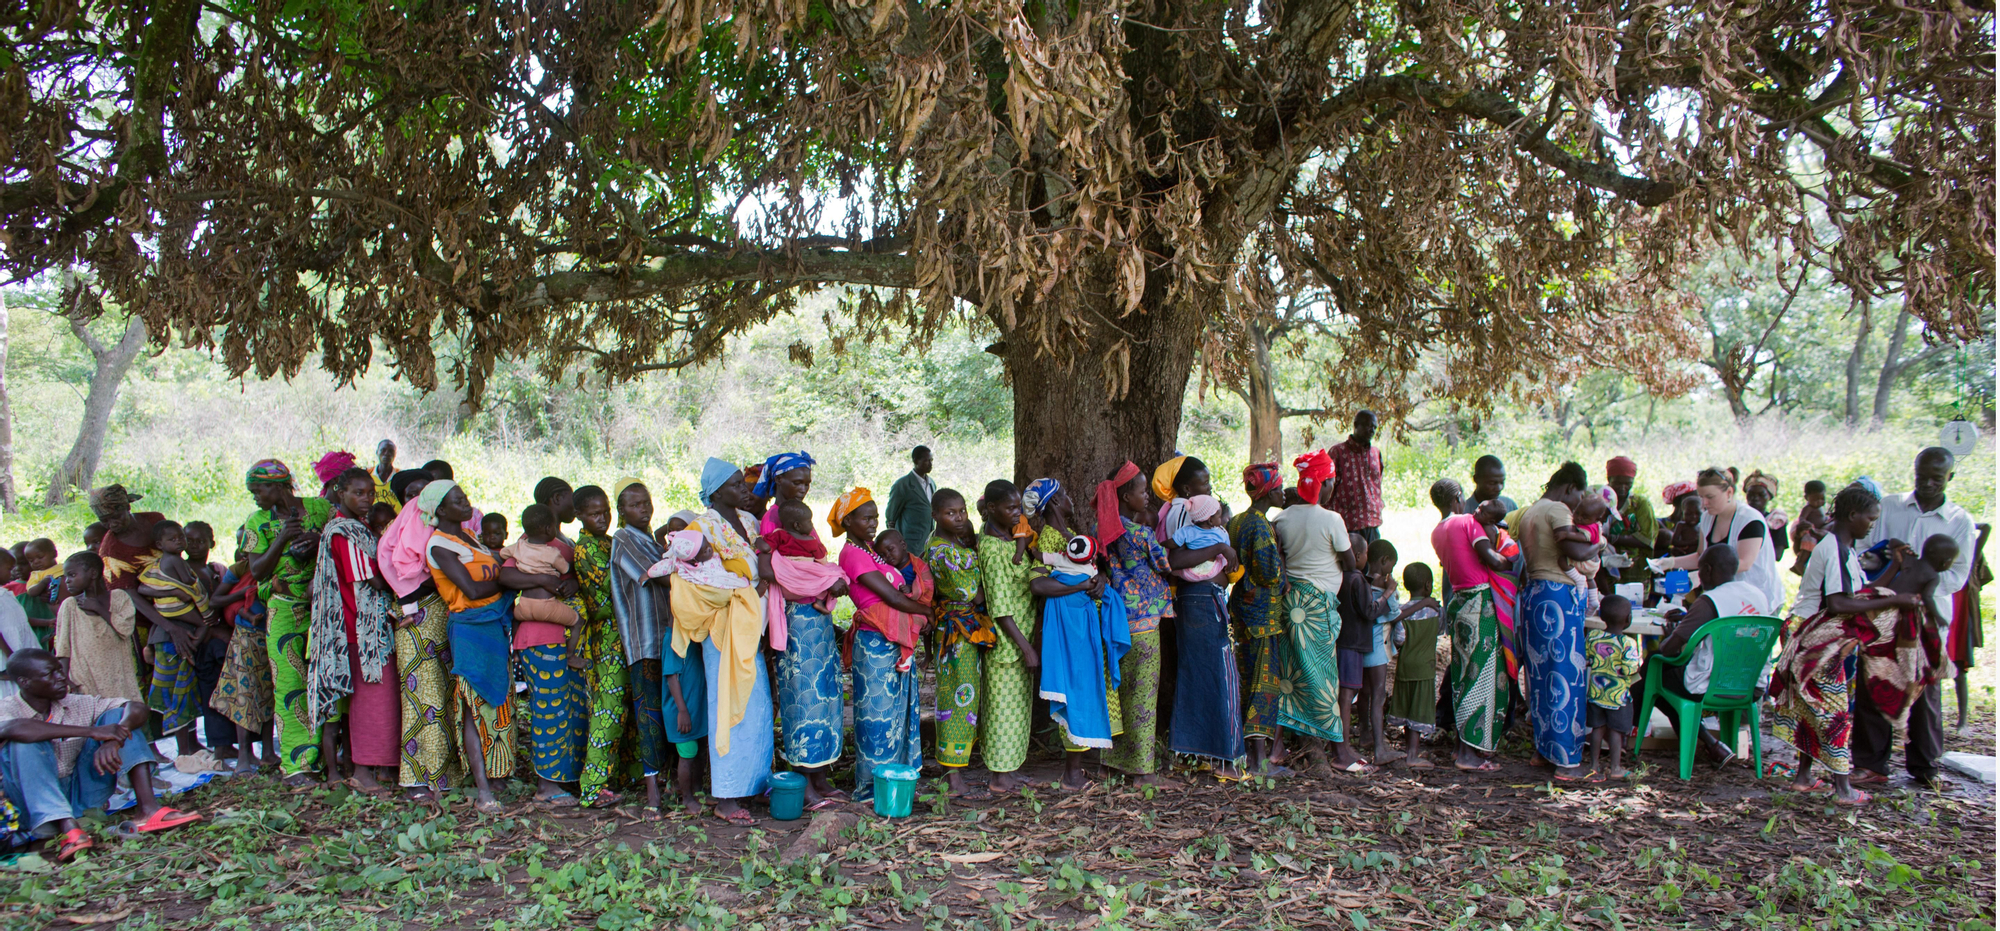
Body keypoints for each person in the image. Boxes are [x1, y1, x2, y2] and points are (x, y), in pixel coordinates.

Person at [1770, 483, 1914, 805]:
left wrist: (1895, 568)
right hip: (1814, 637)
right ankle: (1843, 788)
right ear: (1853, 515)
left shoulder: (1844, 548)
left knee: (1812, 707)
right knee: (1834, 711)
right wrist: (1897, 600)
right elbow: (1837, 604)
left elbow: (1860, 593)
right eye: (1870, 518)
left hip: (1820, 635)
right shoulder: (1833, 547)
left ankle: (1804, 777)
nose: (1873, 525)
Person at [0, 650, 201, 861]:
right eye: (50, 674)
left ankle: (148, 809)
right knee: (23, 741)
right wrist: (90, 732)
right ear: (25, 682)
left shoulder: (75, 702)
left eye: (60, 670)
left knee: (118, 717)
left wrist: (115, 738)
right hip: (31, 806)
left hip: (81, 795)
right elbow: (16, 728)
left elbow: (137, 708)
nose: (61, 677)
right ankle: (65, 827)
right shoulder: (8, 708)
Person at [1852, 447, 1974, 789]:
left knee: (1924, 690)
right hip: (1884, 613)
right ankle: (1871, 763)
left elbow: (1958, 575)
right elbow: (1862, 554)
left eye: (1937, 477)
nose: (1929, 483)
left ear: (1951, 477)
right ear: (1914, 471)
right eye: (1922, 476)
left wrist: (1919, 581)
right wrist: (1887, 562)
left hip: (1924, 620)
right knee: (1873, 683)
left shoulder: (1959, 521)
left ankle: (1925, 765)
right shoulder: (1889, 506)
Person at [423, 479, 548, 812]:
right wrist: (521, 580)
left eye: (465, 497)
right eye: (458, 500)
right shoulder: (439, 545)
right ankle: (483, 792)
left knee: (497, 702)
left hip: (492, 627)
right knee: (473, 707)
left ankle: (496, 775)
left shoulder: (468, 537)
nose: (466, 503)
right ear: (440, 509)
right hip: (470, 630)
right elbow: (472, 590)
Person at [752, 451, 846, 808]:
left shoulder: (799, 517)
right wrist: (818, 585)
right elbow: (774, 572)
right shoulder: (774, 518)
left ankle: (820, 777)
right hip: (794, 620)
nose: (803, 488)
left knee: (823, 696)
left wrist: (828, 581)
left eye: (807, 482)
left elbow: (816, 558)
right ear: (777, 482)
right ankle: (802, 781)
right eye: (796, 481)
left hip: (816, 622)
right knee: (802, 698)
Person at [684, 459, 776, 825]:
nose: (744, 489)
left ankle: (751, 784)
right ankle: (725, 796)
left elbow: (763, 557)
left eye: (743, 483)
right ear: (717, 491)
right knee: (728, 707)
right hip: (724, 630)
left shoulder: (749, 522)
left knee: (756, 708)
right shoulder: (701, 527)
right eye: (736, 484)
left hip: (752, 627)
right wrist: (753, 589)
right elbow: (701, 582)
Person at [304, 468, 402, 795]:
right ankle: (362, 771)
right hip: (360, 631)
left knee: (381, 699)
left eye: (370, 493)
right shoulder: (343, 532)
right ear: (339, 492)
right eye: (358, 493)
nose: (366, 500)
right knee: (373, 700)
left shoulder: (359, 528)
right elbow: (371, 579)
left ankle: (380, 768)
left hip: (369, 628)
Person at [833, 495, 933, 802]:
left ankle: (898, 781)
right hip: (875, 642)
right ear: (848, 521)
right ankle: (871, 787)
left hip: (893, 640)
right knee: (876, 716)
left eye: (875, 517)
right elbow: (890, 597)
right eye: (866, 518)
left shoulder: (871, 551)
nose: (873, 523)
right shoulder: (852, 554)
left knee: (898, 713)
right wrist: (926, 612)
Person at [1273, 449, 1366, 772]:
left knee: (1288, 672)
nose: (1333, 487)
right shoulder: (1331, 519)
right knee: (1323, 675)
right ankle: (1338, 751)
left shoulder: (1281, 518)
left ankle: (1277, 745)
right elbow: (1350, 561)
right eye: (1332, 481)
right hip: (1316, 610)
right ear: (1324, 483)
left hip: (1289, 604)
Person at [500, 503, 587, 806]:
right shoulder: (538, 549)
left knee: (563, 709)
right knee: (549, 711)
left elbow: (572, 579)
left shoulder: (537, 547)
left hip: (549, 638)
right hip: (539, 640)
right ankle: (546, 786)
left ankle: (563, 778)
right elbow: (504, 577)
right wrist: (546, 581)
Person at [1518, 461, 1600, 781]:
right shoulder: (1557, 510)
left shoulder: (1530, 511)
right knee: (1566, 673)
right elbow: (1571, 548)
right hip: (1557, 596)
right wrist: (1599, 545)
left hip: (1534, 593)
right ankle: (1566, 760)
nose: (1579, 502)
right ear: (1570, 488)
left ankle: (1543, 750)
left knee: (1541, 678)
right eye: (1579, 494)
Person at [1034, 534, 1127, 788]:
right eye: (1063, 496)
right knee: (1076, 698)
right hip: (1075, 640)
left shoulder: (1073, 538)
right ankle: (1072, 774)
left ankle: (1090, 767)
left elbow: (1097, 570)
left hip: (1090, 640)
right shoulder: (1046, 543)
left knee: (1091, 698)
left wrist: (1100, 579)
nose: (1070, 501)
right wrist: (1083, 586)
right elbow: (1038, 585)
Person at [608, 478, 676, 815]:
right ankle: (653, 796)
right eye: (635, 504)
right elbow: (656, 575)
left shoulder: (649, 540)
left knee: (672, 710)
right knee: (649, 713)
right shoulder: (623, 540)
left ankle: (673, 782)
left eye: (646, 501)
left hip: (668, 637)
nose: (644, 508)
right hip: (645, 641)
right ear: (621, 511)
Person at [977, 479, 1040, 792]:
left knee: (1016, 709)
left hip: (1020, 638)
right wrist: (1026, 647)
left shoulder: (1008, 537)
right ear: (991, 509)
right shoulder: (993, 550)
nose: (1017, 513)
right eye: (1010, 507)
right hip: (1008, 645)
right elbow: (1000, 607)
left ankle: (1010, 769)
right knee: (1003, 710)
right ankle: (1000, 777)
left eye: (1019, 506)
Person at [1229, 462, 1291, 776]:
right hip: (1262, 617)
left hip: (1240, 610)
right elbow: (1268, 573)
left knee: (1245, 680)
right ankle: (1258, 761)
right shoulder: (1260, 526)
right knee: (1262, 685)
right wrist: (1282, 572)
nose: (1284, 493)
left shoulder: (1238, 521)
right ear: (1269, 492)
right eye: (1279, 488)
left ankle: (1248, 756)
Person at [570, 485, 629, 808]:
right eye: (594, 514)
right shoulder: (585, 550)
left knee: (621, 709)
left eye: (605, 511)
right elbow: (611, 592)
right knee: (607, 708)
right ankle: (592, 786)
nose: (602, 518)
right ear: (579, 515)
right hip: (606, 636)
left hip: (623, 635)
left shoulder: (609, 541)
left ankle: (614, 776)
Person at [1658, 467, 1785, 611]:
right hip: (1728, 596)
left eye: (1710, 497)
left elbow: (1744, 564)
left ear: (1729, 492)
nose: (1704, 503)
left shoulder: (1750, 520)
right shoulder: (1707, 517)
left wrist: (1701, 575)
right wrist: (1670, 562)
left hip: (1757, 596)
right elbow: (1701, 555)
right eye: (1701, 496)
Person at [134, 521, 209, 757]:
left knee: (185, 686)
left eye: (180, 538)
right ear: (160, 544)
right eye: (173, 539)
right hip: (173, 632)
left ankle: (191, 743)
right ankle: (185, 749)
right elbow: (188, 585)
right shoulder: (176, 562)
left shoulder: (161, 565)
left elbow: (146, 589)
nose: (179, 542)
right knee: (179, 689)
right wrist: (184, 589)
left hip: (170, 630)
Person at [208, 530, 272, 774]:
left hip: (270, 636)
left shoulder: (275, 567)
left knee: (270, 693)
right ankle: (244, 756)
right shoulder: (238, 571)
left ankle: (268, 752)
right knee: (244, 694)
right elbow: (216, 600)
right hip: (246, 638)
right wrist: (244, 593)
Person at [51, 552, 141, 704]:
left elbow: (125, 629)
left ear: (93, 573)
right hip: (84, 678)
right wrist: (66, 680)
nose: (67, 581)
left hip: (118, 677)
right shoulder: (70, 605)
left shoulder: (119, 597)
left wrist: (98, 608)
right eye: (66, 576)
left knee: (122, 716)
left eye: (72, 575)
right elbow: (63, 648)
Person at [1386, 562, 1441, 769]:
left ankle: (1407, 750)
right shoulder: (1436, 611)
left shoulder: (1402, 612)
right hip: (1425, 668)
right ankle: (1412, 755)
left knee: (1407, 706)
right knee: (1419, 709)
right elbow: (1441, 630)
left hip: (1405, 666)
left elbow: (1399, 639)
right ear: (1428, 585)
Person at [1584, 595, 1641, 780]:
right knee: (1615, 731)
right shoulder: (1627, 644)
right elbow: (1629, 669)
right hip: (1618, 697)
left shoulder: (1593, 636)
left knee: (1597, 729)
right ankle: (1615, 768)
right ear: (1629, 619)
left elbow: (1586, 659)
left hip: (1596, 693)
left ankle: (1593, 765)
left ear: (1601, 616)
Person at [1357, 539, 1399, 764]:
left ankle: (1364, 733)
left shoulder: (1362, 581)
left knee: (1363, 693)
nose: (1391, 570)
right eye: (1391, 565)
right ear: (1384, 561)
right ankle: (1380, 748)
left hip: (1361, 646)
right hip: (1378, 648)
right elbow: (1393, 613)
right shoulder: (1385, 586)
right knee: (1378, 695)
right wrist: (1392, 591)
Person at [1953, 523, 1992, 734]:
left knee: (1960, 671)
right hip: (1942, 621)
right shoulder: (1941, 555)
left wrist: (1968, 524)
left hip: (1961, 622)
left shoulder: (1970, 557)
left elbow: (1986, 527)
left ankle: (1962, 722)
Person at [1328, 411, 1385, 543]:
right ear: (1355, 425)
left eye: (1374, 427)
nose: (1371, 430)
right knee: (1349, 563)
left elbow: (1378, 483)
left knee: (1373, 562)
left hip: (1372, 522)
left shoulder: (1376, 453)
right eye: (1367, 425)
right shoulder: (1338, 452)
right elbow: (1327, 487)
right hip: (1347, 523)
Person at [1603, 457, 1658, 592]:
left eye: (1628, 483)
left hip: (1635, 572)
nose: (1622, 488)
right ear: (1609, 480)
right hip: (1604, 572)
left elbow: (1647, 538)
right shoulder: (1600, 500)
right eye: (1617, 483)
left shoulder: (1640, 504)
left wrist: (1611, 538)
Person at [884, 446, 937, 552]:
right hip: (911, 544)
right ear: (916, 460)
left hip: (928, 542)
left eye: (931, 460)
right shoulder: (903, 485)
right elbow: (891, 516)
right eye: (926, 460)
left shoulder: (932, 484)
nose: (930, 464)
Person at [1169, 495, 1233, 582]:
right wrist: (1222, 548)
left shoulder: (1187, 530)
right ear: (1210, 520)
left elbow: (1173, 542)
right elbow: (1174, 562)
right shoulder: (1221, 533)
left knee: (1174, 573)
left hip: (1190, 574)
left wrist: (1160, 543)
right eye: (1219, 517)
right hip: (1209, 575)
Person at [1743, 471, 1788, 564]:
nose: (1755, 498)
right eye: (1751, 494)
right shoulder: (1739, 518)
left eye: (1761, 495)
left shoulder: (1776, 521)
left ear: (1769, 497)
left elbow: (1777, 555)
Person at [1790, 480, 1832, 574]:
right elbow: (1802, 518)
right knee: (1808, 545)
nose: (1819, 501)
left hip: (1817, 531)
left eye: (1822, 498)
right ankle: (1800, 562)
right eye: (1815, 499)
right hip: (1809, 532)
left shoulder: (1821, 508)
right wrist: (1807, 525)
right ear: (1806, 498)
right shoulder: (1808, 508)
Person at [372, 440, 399, 506]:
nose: (387, 453)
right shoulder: (367, 474)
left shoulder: (400, 476)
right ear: (377, 452)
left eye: (391, 451)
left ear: (395, 454)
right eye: (383, 450)